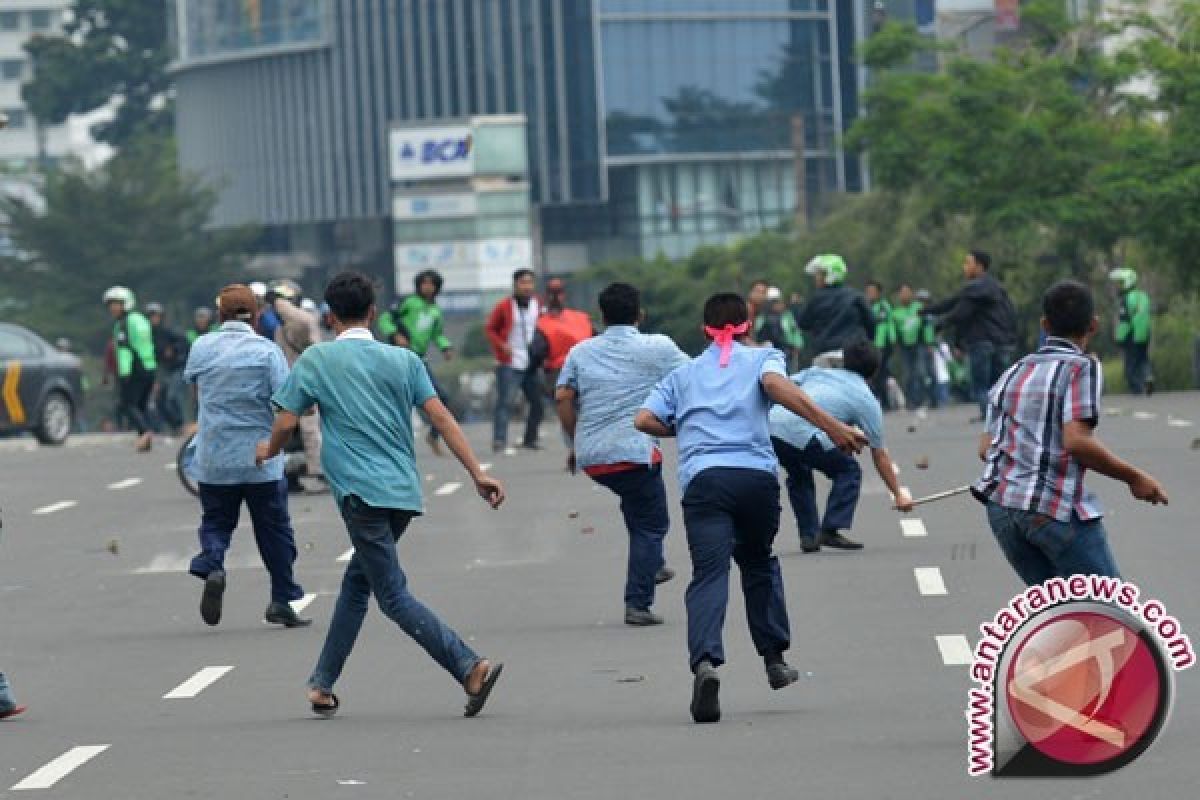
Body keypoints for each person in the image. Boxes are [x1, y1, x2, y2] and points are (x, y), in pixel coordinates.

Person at [260, 270, 506, 719]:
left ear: (330, 317)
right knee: (358, 584)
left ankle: (469, 666)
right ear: (373, 312)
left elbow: (286, 421)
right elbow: (444, 420)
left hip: (360, 494)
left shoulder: (316, 360)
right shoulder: (405, 360)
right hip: (401, 494)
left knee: (392, 596)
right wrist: (478, 474)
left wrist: (269, 450)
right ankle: (322, 684)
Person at [634, 293, 867, 724]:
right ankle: (775, 659)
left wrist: (688, 428)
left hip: (704, 481)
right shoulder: (764, 359)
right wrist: (833, 427)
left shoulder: (683, 375)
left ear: (705, 328)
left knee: (709, 572)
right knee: (758, 564)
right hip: (755, 480)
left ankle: (705, 663)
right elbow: (776, 387)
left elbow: (644, 420)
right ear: (747, 324)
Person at [975, 280, 1168, 585]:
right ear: (1093, 325)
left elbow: (986, 448)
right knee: (1111, 609)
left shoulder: (1014, 371)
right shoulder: (1082, 367)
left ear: (1044, 325)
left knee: (1057, 613)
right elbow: (1077, 441)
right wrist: (1135, 478)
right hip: (1049, 510)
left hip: (1002, 509)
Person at [555, 282, 689, 626]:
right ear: (640, 314)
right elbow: (694, 376)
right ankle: (638, 601)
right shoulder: (657, 347)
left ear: (602, 316)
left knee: (636, 506)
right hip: (634, 451)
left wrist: (575, 442)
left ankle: (653, 563)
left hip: (593, 458)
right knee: (652, 523)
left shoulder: (580, 352)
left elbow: (563, 397)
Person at [183, 284, 311, 629]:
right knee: (274, 531)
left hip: (215, 457)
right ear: (256, 316)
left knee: (216, 521)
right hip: (261, 458)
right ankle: (281, 599)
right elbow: (284, 400)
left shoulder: (201, 347)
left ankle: (212, 562)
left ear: (219, 315)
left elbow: (197, 392)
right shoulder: (266, 351)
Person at [769, 338, 914, 553]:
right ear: (874, 371)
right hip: (803, 433)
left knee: (798, 472)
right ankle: (831, 527)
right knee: (849, 470)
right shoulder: (866, 400)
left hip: (773, 427)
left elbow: (783, 386)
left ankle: (809, 535)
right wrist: (898, 493)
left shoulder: (817, 372)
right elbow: (879, 454)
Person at [925, 250, 1018, 420]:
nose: (964, 267)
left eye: (968, 263)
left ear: (980, 266)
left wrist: (940, 324)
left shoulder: (973, 289)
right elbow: (952, 303)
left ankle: (988, 416)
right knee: (1000, 383)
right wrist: (927, 310)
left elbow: (960, 312)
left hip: (981, 342)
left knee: (981, 384)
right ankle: (1002, 417)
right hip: (1002, 343)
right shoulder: (997, 288)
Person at [378, 270, 457, 456]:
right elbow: (385, 319)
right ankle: (390, 443)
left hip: (419, 359)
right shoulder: (408, 302)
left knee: (442, 397)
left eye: (431, 284)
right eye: (424, 283)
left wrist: (446, 347)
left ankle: (433, 435)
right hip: (399, 357)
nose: (427, 287)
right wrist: (395, 334)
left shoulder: (436, 311)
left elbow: (437, 335)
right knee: (397, 400)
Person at [267, 280, 327, 491]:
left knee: (310, 430)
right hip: (289, 386)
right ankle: (289, 475)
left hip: (309, 384)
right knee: (284, 431)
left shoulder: (302, 324)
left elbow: (301, 320)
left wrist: (278, 301)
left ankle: (318, 471)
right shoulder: (281, 329)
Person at [485, 268, 543, 453]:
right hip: (510, 361)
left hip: (532, 361)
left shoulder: (538, 304)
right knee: (506, 401)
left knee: (537, 401)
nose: (527, 287)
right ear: (515, 285)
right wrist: (501, 345)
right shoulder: (504, 306)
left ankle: (530, 438)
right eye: (522, 283)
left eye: (530, 283)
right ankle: (499, 439)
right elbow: (490, 328)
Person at [103, 286, 157, 451]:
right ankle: (144, 439)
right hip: (150, 367)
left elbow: (125, 350)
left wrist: (124, 374)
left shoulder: (123, 324)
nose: (113, 308)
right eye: (111, 304)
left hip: (134, 369)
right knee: (140, 405)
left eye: (117, 304)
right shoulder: (141, 319)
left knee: (126, 404)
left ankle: (145, 432)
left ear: (126, 304)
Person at [794, 254, 874, 361]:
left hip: (824, 355)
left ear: (830, 275)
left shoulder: (816, 298)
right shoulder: (856, 296)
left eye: (820, 274)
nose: (816, 278)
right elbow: (871, 323)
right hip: (853, 354)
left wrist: (797, 306)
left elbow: (802, 323)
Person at [537, 276, 595, 396]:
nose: (555, 297)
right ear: (546, 295)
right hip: (558, 374)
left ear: (564, 294)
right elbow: (536, 355)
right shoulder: (539, 322)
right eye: (552, 293)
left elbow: (598, 341)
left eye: (558, 292)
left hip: (584, 371)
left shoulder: (582, 318)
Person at [1108, 267, 1153, 395]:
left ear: (1128, 282)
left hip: (1131, 335)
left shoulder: (1126, 299)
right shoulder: (1143, 296)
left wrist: (1119, 337)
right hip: (1145, 334)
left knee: (1130, 365)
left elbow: (1125, 321)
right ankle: (1148, 377)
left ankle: (1137, 389)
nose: (1118, 286)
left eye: (1120, 282)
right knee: (1143, 358)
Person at [146, 302, 190, 434]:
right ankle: (173, 426)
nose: (153, 319)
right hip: (162, 370)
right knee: (159, 400)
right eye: (150, 316)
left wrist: (174, 349)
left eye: (156, 316)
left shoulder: (169, 332)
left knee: (172, 396)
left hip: (177, 367)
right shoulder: (147, 334)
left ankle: (180, 423)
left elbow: (185, 343)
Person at [891, 284, 929, 409]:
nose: (905, 295)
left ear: (911, 294)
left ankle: (923, 399)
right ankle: (910, 401)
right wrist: (894, 341)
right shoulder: (895, 312)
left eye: (907, 292)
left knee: (920, 372)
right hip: (904, 347)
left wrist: (929, 342)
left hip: (919, 344)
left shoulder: (918, 308)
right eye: (902, 293)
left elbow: (927, 325)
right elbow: (892, 329)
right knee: (907, 375)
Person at [864, 280, 896, 409]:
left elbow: (889, 324)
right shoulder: (865, 307)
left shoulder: (884, 306)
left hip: (881, 345)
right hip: (868, 345)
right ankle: (873, 402)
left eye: (872, 291)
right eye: (868, 292)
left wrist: (892, 340)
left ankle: (885, 402)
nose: (870, 294)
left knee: (881, 374)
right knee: (870, 375)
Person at [754, 287, 804, 369]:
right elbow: (758, 332)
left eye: (776, 301)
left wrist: (797, 344)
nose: (774, 304)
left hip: (785, 351)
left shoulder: (787, 315)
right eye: (772, 301)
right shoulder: (762, 317)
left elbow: (794, 331)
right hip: (765, 352)